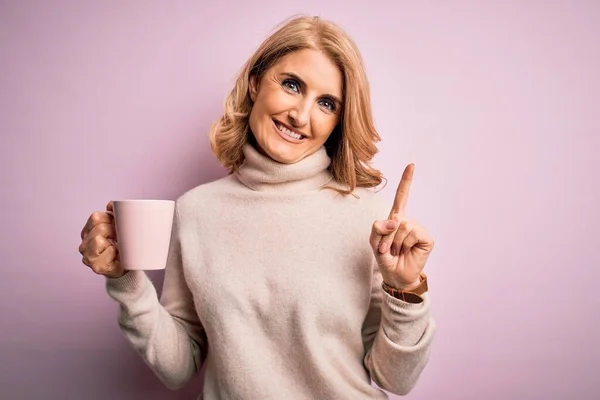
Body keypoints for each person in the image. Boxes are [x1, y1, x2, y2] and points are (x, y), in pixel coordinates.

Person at [78, 15, 436, 399]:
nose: (301, 115)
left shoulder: (367, 216)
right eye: (291, 85)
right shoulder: (196, 211)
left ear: (338, 121)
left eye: (327, 103)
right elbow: (179, 366)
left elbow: (396, 380)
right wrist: (125, 279)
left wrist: (406, 289)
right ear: (255, 82)